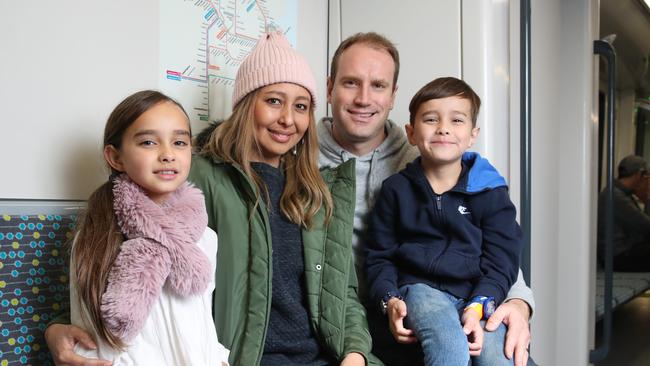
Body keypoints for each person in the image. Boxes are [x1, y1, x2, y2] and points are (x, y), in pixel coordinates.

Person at [317, 32, 535, 366]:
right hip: (381, 315)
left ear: (392, 96)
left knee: (504, 355)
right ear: (330, 87)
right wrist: (388, 300)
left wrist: (518, 303)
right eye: (350, 83)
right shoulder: (300, 159)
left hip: (470, 301)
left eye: (378, 85)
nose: (364, 98)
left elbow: (498, 249)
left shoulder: (432, 156)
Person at [365, 77, 521, 366]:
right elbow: (379, 257)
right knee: (450, 347)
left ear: (473, 134)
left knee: (498, 358)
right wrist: (389, 299)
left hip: (476, 294)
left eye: (457, 120)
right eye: (431, 119)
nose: (444, 128)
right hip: (419, 289)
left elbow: (502, 261)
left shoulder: (490, 191)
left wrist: (479, 306)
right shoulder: (396, 190)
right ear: (411, 132)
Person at [68, 90, 229, 365]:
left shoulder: (205, 238)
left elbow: (203, 322)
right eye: (148, 142)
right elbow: (89, 335)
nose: (167, 154)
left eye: (179, 142)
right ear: (115, 157)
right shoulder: (97, 235)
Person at [598, 154, 650, 271]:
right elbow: (645, 227)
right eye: (646, 177)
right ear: (639, 175)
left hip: (622, 253)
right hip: (618, 256)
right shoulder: (615, 196)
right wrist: (646, 196)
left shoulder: (618, 193)